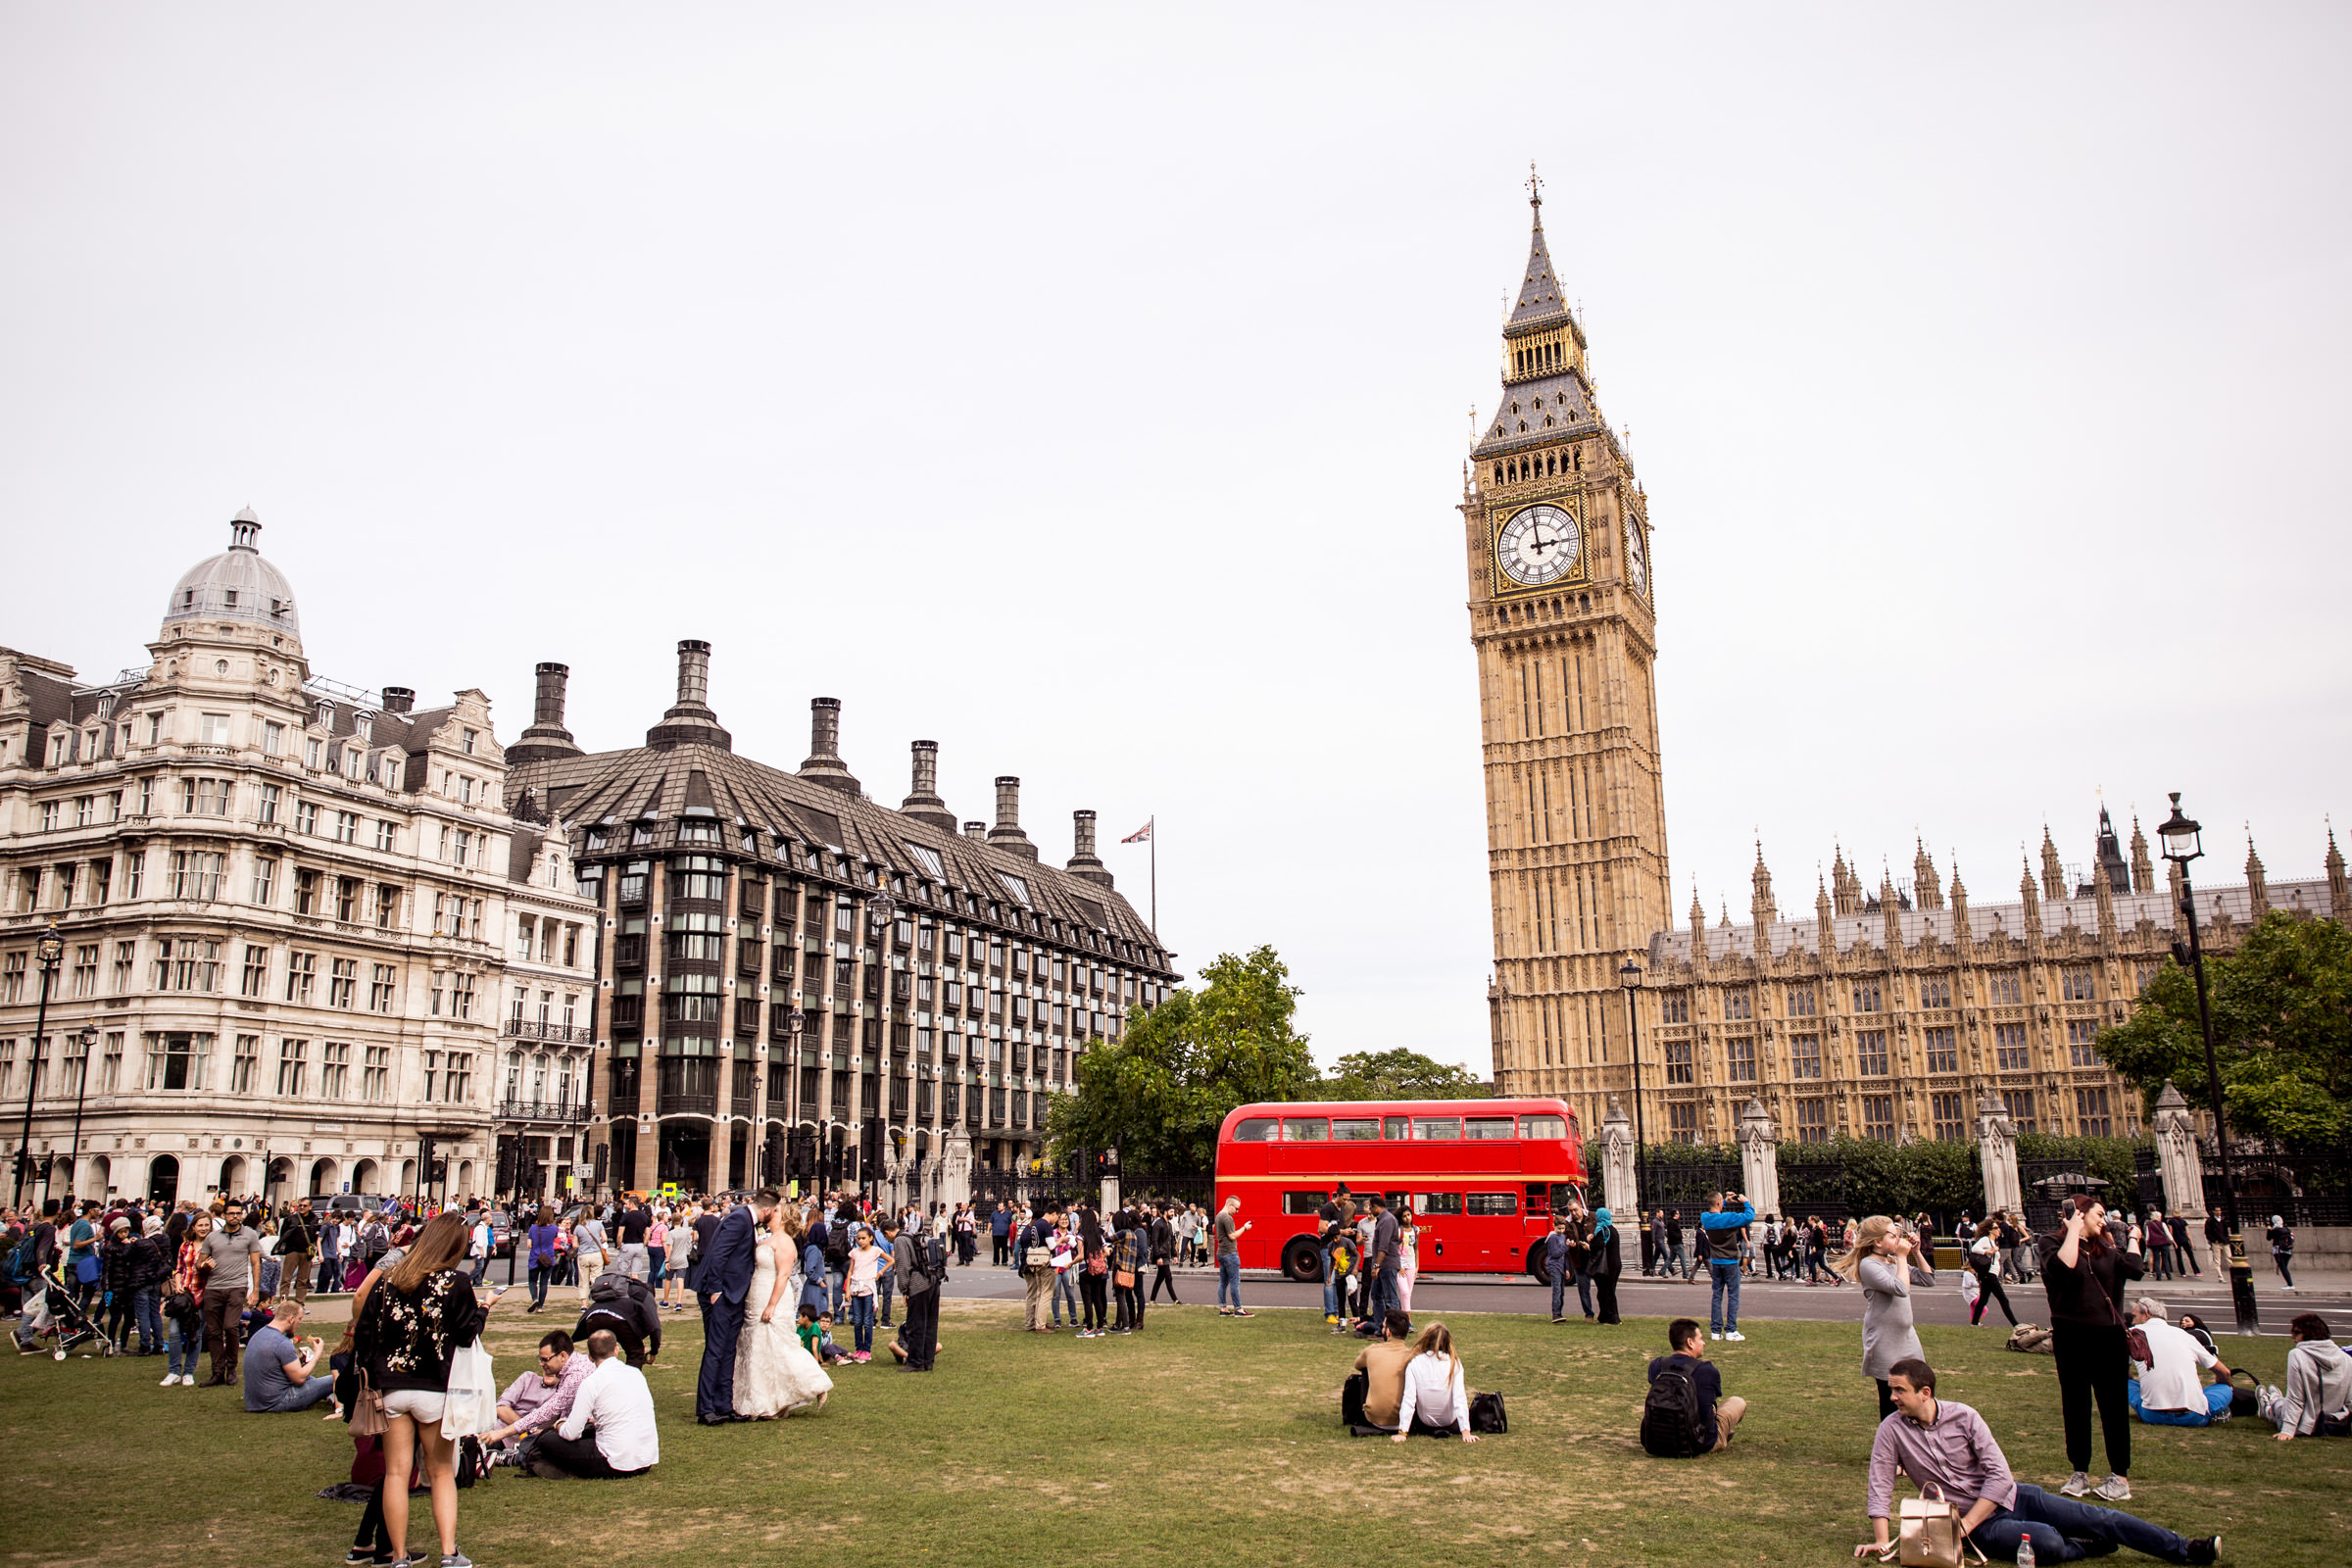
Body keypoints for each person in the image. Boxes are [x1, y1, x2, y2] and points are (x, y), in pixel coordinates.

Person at [1856, 1356, 2221, 1566]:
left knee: (2100, 1516)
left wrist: (1965, 1526)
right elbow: (1880, 1482)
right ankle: (2084, 1545)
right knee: (2044, 1543)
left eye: (1898, 1390)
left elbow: (2000, 1478)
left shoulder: (1965, 1416)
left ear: (1925, 1392)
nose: (1892, 1397)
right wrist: (1882, 1540)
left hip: (2012, 1500)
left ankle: (2185, 1548)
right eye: (1891, 1389)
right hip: (1982, 1527)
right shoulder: (1892, 1429)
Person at [353, 1211, 503, 1568]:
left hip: (393, 1385)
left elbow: (365, 1332)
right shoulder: (456, 1282)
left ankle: (398, 1556)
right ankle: (448, 1551)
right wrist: (484, 1307)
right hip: (435, 1386)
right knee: (440, 1473)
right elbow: (467, 1334)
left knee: (395, 1473)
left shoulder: (390, 1280)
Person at [1836, 1215, 1939, 1422]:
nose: (1898, 1239)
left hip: (1907, 1339)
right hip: (1886, 1342)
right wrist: (1902, 1256)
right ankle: (1889, 1447)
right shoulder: (1869, 1265)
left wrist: (1916, 1252)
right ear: (1877, 1241)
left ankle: (1917, 1441)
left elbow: (1928, 1280)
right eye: (1893, 1236)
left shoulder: (1892, 1263)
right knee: (1892, 1400)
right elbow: (1900, 1289)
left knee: (1919, 1393)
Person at [736, 1200, 835, 1415]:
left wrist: (772, 1304)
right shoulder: (765, 1238)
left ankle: (815, 1383)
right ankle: (764, 1399)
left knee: (779, 1343)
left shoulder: (785, 1243)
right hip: (757, 1292)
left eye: (777, 1210)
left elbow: (783, 1275)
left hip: (773, 1295)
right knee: (759, 1345)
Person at [531, 1329, 658, 1479]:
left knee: (547, 1439)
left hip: (614, 1463)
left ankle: (559, 1467)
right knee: (588, 1430)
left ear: (590, 1357)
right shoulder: (636, 1374)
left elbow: (571, 1434)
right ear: (616, 1350)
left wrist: (559, 1424)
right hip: (645, 1459)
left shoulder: (591, 1383)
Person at [695, 1188, 766, 1425]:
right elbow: (719, 1254)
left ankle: (724, 1405)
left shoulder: (746, 1221)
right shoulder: (739, 1218)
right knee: (716, 1351)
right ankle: (706, 1408)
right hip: (721, 1293)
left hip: (733, 1293)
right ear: (767, 1209)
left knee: (728, 1351)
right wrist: (715, 1289)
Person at [1642, 1317, 1747, 1456]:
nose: (1703, 1343)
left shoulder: (1656, 1365)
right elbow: (1708, 1407)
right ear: (1690, 1343)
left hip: (1657, 1440)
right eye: (1701, 1338)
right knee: (1737, 1402)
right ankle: (1721, 1436)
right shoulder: (1707, 1371)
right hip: (1698, 1443)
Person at [2125, 1298, 2235, 1427]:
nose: (2133, 1321)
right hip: (2193, 1415)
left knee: (2127, 1384)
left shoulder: (2131, 1335)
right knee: (2224, 1389)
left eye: (2135, 1316)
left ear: (2146, 1314)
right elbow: (2224, 1372)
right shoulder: (2185, 1336)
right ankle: (2208, 1407)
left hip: (2152, 1414)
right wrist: (2222, 1384)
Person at [483, 1329, 594, 1458]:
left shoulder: (576, 1375)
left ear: (563, 1356)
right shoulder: (579, 1363)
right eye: (540, 1359)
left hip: (584, 1430)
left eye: (545, 1360)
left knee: (543, 1442)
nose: (542, 1364)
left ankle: (513, 1458)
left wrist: (502, 1433)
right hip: (575, 1428)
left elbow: (549, 1410)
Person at [199, 1200, 264, 1387]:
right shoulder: (212, 1237)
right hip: (213, 1287)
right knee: (213, 1331)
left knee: (230, 1326)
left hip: (236, 1286)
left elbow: (255, 1263)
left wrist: (255, 1291)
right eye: (231, 1213)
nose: (235, 1216)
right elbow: (200, 1263)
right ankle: (217, 1371)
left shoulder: (249, 1235)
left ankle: (231, 1368)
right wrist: (204, 1265)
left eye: (238, 1213)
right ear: (224, 1215)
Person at [240, 1298, 339, 1413]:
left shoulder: (259, 1335)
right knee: (338, 1377)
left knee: (311, 1378)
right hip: (276, 1402)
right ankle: (334, 1396)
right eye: (299, 1319)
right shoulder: (282, 1343)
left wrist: (300, 1362)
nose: (300, 1322)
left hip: (255, 1402)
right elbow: (299, 1379)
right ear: (291, 1319)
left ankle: (331, 1395)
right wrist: (317, 1354)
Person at [2266, 1312, 2351, 1442]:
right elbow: (2350, 1399)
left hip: (2304, 1425)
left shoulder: (2297, 1355)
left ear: (2309, 1334)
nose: (2292, 1336)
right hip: (2334, 1423)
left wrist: (2288, 1431)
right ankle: (2273, 1398)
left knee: (2279, 1405)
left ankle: (2268, 1403)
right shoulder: (2346, 1359)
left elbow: (2296, 1399)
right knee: (2284, 1403)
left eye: (2296, 1332)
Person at [1391, 1321, 1480, 1442]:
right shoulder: (1455, 1363)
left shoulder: (1414, 1363)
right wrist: (1466, 1432)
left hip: (1424, 1422)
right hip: (1450, 1421)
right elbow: (1460, 1399)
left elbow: (1409, 1399)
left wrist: (1402, 1432)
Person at [1343, 1308, 1418, 1432]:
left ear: (1388, 1332)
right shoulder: (1413, 1356)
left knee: (1366, 1369)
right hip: (1406, 1418)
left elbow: (1357, 1365)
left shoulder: (1372, 1351)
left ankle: (1372, 1406)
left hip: (1374, 1418)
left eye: (1383, 1326)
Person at [576, 1265, 663, 1367]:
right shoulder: (646, 1294)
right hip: (617, 1319)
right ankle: (628, 1381)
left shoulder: (623, 1289)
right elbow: (656, 1327)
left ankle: (600, 1380)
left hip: (592, 1318)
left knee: (600, 1353)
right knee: (635, 1352)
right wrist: (654, 1351)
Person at [892, 1205, 945, 1372]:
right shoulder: (913, 1236)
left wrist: (904, 1290)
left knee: (916, 1325)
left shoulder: (900, 1240)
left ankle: (915, 1362)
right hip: (933, 1281)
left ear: (887, 1232)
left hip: (918, 1285)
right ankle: (928, 1361)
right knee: (930, 1323)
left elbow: (902, 1268)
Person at [1699, 1192, 1755, 1342]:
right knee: (1733, 1296)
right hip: (1730, 1260)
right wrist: (1745, 1202)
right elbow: (1749, 1216)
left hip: (1716, 1261)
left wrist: (1725, 1201)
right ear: (1718, 1203)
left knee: (1717, 1296)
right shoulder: (1728, 1218)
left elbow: (1714, 1207)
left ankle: (1716, 1331)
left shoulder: (1705, 1217)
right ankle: (1731, 1330)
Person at [1968, 1217, 2020, 1328]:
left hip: (1991, 1274)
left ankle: (1974, 1323)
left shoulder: (1993, 1241)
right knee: (2003, 1299)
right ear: (1990, 1230)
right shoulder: (1986, 1239)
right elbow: (1974, 1249)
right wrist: (1988, 1251)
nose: (1998, 1230)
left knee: (1983, 1300)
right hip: (1989, 1273)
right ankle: (2015, 1324)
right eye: (1996, 1228)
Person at [1213, 1197, 1253, 1318]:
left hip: (1221, 1252)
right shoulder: (1227, 1217)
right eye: (1236, 1208)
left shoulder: (1218, 1216)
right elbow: (1232, 1236)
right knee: (1235, 1282)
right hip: (1230, 1253)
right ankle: (1239, 1309)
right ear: (1230, 1205)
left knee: (1223, 1282)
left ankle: (1223, 1308)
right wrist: (1245, 1228)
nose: (1237, 1211)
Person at [1589, 1206, 1624, 1324]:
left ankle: (1613, 1317)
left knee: (1606, 1292)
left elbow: (1597, 1246)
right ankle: (1604, 1316)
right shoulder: (1612, 1229)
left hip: (1607, 1265)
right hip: (1615, 1264)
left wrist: (1588, 1243)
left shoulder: (1602, 1230)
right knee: (1607, 1291)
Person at [525, 1206, 561, 1314]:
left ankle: (534, 1298)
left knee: (532, 1281)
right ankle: (540, 1306)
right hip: (548, 1257)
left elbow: (529, 1245)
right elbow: (553, 1240)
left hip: (535, 1257)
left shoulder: (533, 1228)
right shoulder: (555, 1229)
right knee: (544, 1283)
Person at [613, 1197, 653, 1284]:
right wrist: (644, 1243)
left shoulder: (626, 1216)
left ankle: (623, 1289)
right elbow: (647, 1233)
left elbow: (620, 1234)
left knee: (623, 1272)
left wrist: (619, 1245)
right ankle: (636, 1290)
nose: (625, 1206)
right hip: (639, 1245)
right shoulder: (644, 1216)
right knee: (635, 1272)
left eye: (627, 1204)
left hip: (628, 1244)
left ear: (632, 1204)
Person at [662, 1208, 694, 1312]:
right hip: (682, 1257)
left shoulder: (671, 1233)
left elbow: (669, 1247)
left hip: (673, 1258)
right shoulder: (686, 1232)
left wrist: (667, 1260)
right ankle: (679, 1302)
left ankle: (666, 1300)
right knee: (680, 1279)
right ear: (681, 1221)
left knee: (668, 1279)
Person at [1542, 1215, 1571, 1324]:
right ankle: (1555, 1313)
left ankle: (1559, 1312)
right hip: (1553, 1266)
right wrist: (1566, 1246)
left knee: (1561, 1291)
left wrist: (1567, 1269)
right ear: (1554, 1226)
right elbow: (1555, 1253)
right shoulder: (1553, 1237)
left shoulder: (1563, 1237)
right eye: (1559, 1228)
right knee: (1557, 1290)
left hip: (1561, 1266)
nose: (1561, 1231)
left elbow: (1564, 1255)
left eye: (1563, 1228)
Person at [2267, 1215, 2295, 1290]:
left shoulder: (2275, 1230)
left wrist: (2269, 1229)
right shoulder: (2287, 1229)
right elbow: (2292, 1239)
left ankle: (2290, 1285)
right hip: (2288, 1251)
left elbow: (2268, 1238)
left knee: (2283, 1268)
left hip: (2278, 1250)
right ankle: (2289, 1283)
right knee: (2284, 1267)